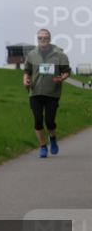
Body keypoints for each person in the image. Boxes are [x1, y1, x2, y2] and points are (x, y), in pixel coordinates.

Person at [23, 29, 71, 158]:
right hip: (35, 92)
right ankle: (43, 146)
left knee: (49, 121)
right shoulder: (32, 54)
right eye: (40, 38)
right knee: (38, 121)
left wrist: (62, 78)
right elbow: (27, 71)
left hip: (52, 93)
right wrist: (25, 81)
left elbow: (67, 71)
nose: (43, 40)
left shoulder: (59, 54)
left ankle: (53, 138)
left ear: (49, 39)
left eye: (45, 38)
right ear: (37, 39)